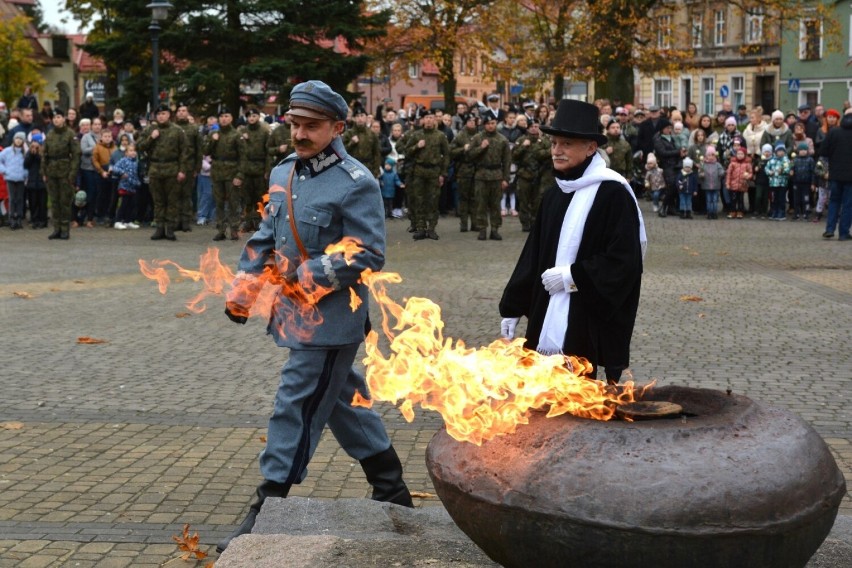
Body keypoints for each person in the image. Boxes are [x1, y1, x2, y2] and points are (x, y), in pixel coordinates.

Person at [217, 80, 413, 553]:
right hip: (292, 316)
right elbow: (267, 236)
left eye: (311, 126)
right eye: (295, 124)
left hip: (330, 321)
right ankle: (392, 490)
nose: (300, 134)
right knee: (345, 402)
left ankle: (268, 505)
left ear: (337, 127)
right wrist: (244, 288)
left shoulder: (356, 182)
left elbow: (369, 252)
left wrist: (309, 275)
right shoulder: (284, 172)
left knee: (297, 405)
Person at [499, 99, 646, 384]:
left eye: (566, 144)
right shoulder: (555, 194)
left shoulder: (613, 194)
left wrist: (572, 277)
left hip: (587, 317)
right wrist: (512, 307)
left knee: (581, 400)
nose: (557, 151)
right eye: (554, 143)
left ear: (591, 147)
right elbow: (533, 255)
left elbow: (625, 261)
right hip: (548, 312)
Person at [136, 104, 190, 241]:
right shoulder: (150, 129)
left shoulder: (177, 130)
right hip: (155, 168)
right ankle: (159, 228)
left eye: (164, 114)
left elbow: (184, 152)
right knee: (158, 201)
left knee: (172, 201)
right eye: (159, 114)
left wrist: (182, 170)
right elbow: (139, 146)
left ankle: (170, 229)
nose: (161, 116)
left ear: (169, 115)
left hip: (172, 168)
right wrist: (151, 138)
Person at [403, 110, 450, 240]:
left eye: (431, 117)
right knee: (419, 200)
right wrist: (417, 147)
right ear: (423, 120)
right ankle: (421, 227)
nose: (429, 120)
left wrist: (443, 173)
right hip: (419, 171)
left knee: (433, 200)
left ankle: (431, 228)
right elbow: (406, 152)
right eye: (426, 118)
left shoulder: (440, 136)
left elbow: (446, 155)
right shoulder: (417, 135)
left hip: (434, 171)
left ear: (434, 120)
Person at [468, 115, 511, 240]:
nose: (490, 126)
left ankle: (494, 229)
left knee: (495, 205)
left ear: (496, 123)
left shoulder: (502, 139)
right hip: (481, 175)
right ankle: (482, 229)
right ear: (484, 124)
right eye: (487, 123)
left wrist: (505, 179)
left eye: (492, 123)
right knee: (480, 204)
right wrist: (481, 148)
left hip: (496, 175)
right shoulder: (477, 138)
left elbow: (507, 161)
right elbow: (469, 155)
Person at [42, 110, 81, 240]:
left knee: (65, 201)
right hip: (52, 171)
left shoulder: (70, 134)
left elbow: (76, 155)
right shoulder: (50, 134)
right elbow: (44, 154)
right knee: (54, 201)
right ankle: (56, 229)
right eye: (54, 117)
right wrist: (44, 171)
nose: (56, 120)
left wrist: (72, 173)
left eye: (58, 117)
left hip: (65, 171)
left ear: (63, 119)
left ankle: (65, 229)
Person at [204, 108, 242, 241]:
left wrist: (239, 175)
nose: (224, 119)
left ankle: (234, 229)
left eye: (226, 116)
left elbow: (243, 157)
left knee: (233, 203)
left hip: (232, 172)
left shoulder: (236, 135)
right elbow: (206, 151)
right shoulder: (214, 133)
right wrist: (212, 141)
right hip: (217, 172)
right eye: (221, 116)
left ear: (231, 118)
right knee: (218, 203)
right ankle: (221, 229)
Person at [819, 108, 852, 240]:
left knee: (834, 201)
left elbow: (823, 151)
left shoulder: (833, 132)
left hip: (835, 173)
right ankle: (843, 233)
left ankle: (830, 229)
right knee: (848, 204)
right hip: (851, 176)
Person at [236, 108, 270, 232]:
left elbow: (268, 153)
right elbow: (239, 152)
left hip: (260, 168)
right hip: (246, 169)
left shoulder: (264, 131)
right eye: (249, 116)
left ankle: (259, 222)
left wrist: (267, 169)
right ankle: (247, 222)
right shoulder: (242, 131)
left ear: (258, 117)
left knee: (259, 197)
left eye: (254, 116)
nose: (252, 118)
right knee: (246, 198)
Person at [0, 131, 27, 228]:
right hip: (10, 178)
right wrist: (4, 170)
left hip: (20, 178)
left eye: (20, 139)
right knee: (12, 199)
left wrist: (25, 174)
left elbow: (27, 165)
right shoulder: (7, 151)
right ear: (14, 139)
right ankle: (11, 218)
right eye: (17, 138)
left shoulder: (25, 152)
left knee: (19, 199)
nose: (18, 141)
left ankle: (19, 218)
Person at [111, 143, 142, 229]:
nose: (133, 152)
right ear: (126, 153)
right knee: (123, 204)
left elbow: (136, 175)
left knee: (131, 205)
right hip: (124, 186)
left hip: (133, 187)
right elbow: (115, 168)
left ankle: (128, 221)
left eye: (134, 150)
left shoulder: (135, 162)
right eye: (131, 150)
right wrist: (122, 173)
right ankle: (118, 221)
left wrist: (138, 182)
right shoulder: (123, 160)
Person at [24, 134, 47, 228]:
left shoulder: (44, 152)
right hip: (32, 180)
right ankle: (34, 220)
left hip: (42, 180)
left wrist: (37, 153)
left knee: (42, 202)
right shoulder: (29, 153)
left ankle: (43, 220)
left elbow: (43, 162)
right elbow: (26, 164)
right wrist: (31, 154)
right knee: (33, 202)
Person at [766, 143, 792, 221]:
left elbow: (788, 169)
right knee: (774, 198)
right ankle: (774, 211)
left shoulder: (786, 160)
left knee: (781, 198)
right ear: (776, 151)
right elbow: (766, 168)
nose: (781, 153)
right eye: (779, 151)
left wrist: (783, 171)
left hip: (782, 183)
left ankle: (781, 212)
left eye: (782, 151)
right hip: (773, 183)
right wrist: (769, 172)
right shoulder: (771, 160)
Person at [725, 147, 751, 219]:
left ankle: (740, 212)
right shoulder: (732, 163)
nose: (740, 155)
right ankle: (732, 212)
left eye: (741, 154)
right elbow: (728, 174)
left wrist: (747, 176)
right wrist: (727, 183)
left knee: (741, 199)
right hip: (733, 185)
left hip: (742, 185)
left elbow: (750, 173)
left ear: (744, 155)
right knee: (733, 199)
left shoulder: (747, 164)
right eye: (738, 154)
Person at [700, 146, 725, 219]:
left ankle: (714, 212)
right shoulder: (703, 164)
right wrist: (701, 175)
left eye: (712, 155)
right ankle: (709, 212)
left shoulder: (718, 164)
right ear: (706, 156)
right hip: (707, 185)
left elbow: (721, 171)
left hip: (716, 185)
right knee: (708, 200)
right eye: (709, 155)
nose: (711, 157)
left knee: (715, 200)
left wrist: (722, 173)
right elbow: (700, 172)